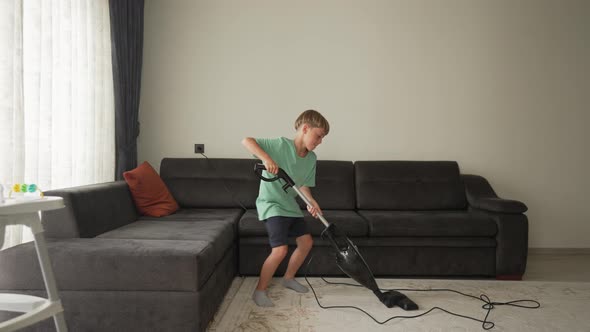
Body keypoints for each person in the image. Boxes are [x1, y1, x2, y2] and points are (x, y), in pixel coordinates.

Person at [241, 109, 330, 307]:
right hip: (271, 203)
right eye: (319, 135)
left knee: (306, 243)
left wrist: (311, 202)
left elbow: (303, 185)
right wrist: (266, 158)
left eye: (323, 138)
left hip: (290, 205)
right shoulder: (280, 145)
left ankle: (288, 278)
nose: (320, 141)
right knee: (280, 250)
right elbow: (247, 141)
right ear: (305, 128)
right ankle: (260, 291)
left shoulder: (311, 158)